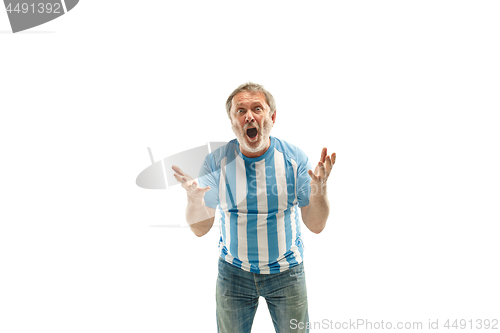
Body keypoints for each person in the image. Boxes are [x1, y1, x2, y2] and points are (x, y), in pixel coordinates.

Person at [172, 82, 335, 333]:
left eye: (257, 108)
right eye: (240, 110)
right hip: (233, 274)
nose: (249, 116)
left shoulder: (294, 160)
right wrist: (194, 199)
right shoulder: (217, 162)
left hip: (287, 273)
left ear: (272, 117)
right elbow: (200, 229)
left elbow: (316, 225)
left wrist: (320, 191)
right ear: (232, 121)